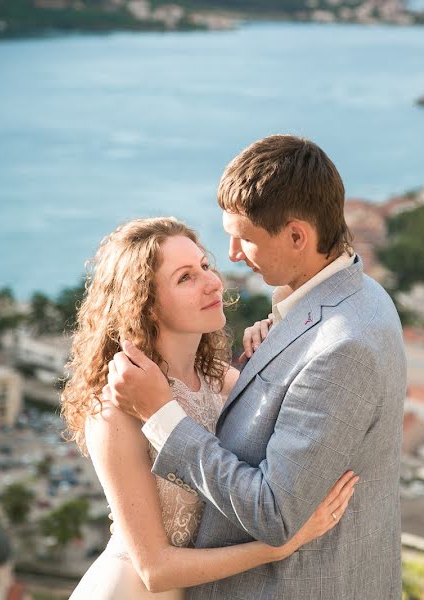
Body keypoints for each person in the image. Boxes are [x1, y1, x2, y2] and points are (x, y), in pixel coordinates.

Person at [107, 135, 408, 598]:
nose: (230, 257)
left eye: (244, 237)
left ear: (296, 236)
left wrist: (161, 416)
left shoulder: (341, 346)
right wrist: (266, 351)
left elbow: (274, 513)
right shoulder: (359, 299)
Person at [62, 218, 358, 599]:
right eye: (185, 278)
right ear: (146, 305)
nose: (213, 282)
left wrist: (272, 348)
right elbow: (155, 570)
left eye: (204, 266)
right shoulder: (116, 410)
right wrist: (281, 545)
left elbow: (284, 431)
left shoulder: (223, 381)